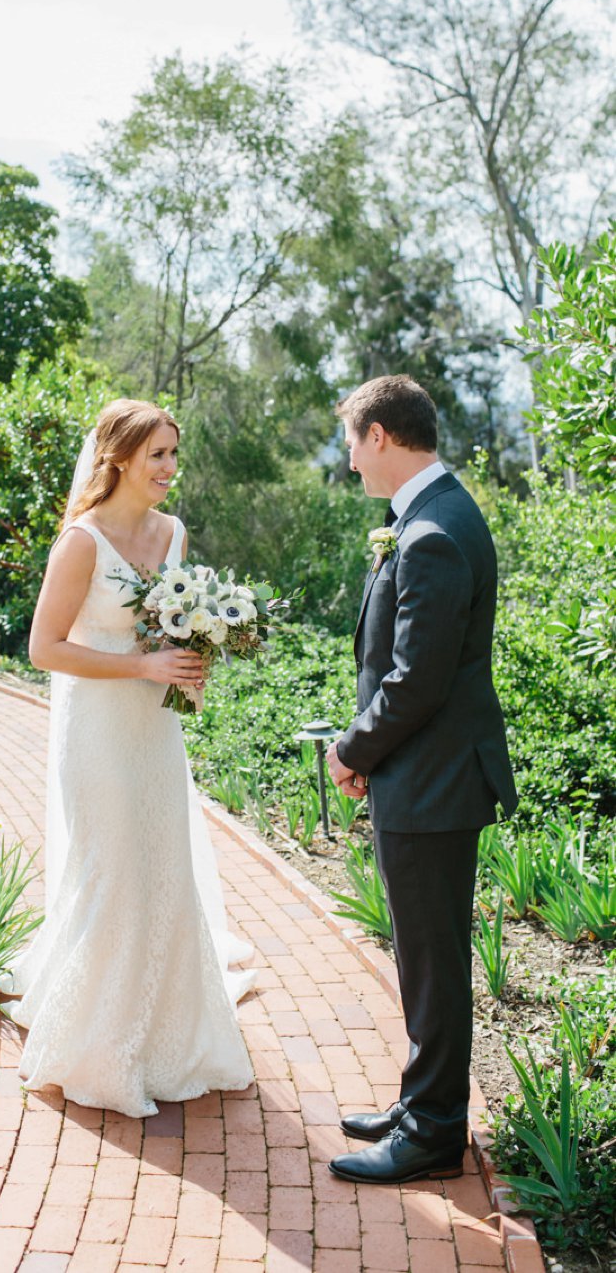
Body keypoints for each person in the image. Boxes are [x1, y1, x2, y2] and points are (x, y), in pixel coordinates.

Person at [0, 398, 255, 1118]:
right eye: (158, 456)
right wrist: (141, 669)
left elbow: (171, 626)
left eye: (175, 453)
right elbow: (44, 648)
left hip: (154, 729)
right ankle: (97, 1047)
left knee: (163, 866)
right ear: (118, 460)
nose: (170, 469)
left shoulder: (172, 532)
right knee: (115, 871)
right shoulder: (82, 542)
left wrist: (191, 661)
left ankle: (172, 1040)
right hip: (98, 729)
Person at [325, 375, 517, 1185]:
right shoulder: (438, 514)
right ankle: (421, 1101)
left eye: (350, 443)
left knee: (433, 964)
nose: (348, 461)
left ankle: (435, 1133)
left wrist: (351, 750)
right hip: (429, 775)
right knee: (421, 958)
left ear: (380, 437)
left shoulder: (433, 532)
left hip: (433, 785)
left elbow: (414, 682)